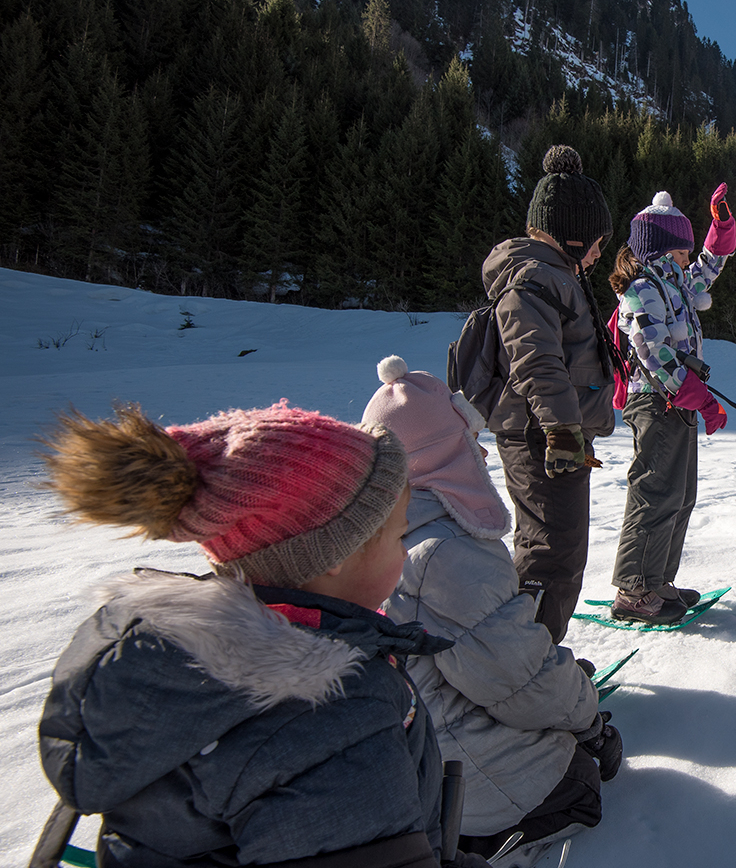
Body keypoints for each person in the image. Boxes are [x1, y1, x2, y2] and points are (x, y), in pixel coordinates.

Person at [34, 401, 455, 867]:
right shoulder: (331, 714)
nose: (407, 552)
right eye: (399, 537)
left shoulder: (168, 668)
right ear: (334, 554)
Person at [364, 356, 621, 862]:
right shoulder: (448, 552)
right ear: (440, 455)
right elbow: (517, 683)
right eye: (467, 441)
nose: (480, 453)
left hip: (400, 745)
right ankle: (473, 839)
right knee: (580, 782)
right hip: (449, 768)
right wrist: (587, 719)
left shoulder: (372, 531)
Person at [481, 144, 619, 644]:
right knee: (550, 551)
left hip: (552, 432)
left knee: (555, 547)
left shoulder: (554, 277)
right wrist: (563, 428)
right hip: (543, 434)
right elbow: (536, 360)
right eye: (599, 240)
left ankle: (533, 661)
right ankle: (525, 667)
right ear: (572, 234)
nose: (602, 251)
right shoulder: (536, 278)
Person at [608, 187, 736, 624]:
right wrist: (701, 399)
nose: (690, 260)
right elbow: (654, 355)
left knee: (681, 496)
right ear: (667, 248)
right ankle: (633, 589)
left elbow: (710, 266)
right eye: (685, 250)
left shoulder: (675, 283)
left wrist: (720, 226)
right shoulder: (642, 290)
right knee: (655, 494)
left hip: (676, 401)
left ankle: (658, 578)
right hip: (655, 402)